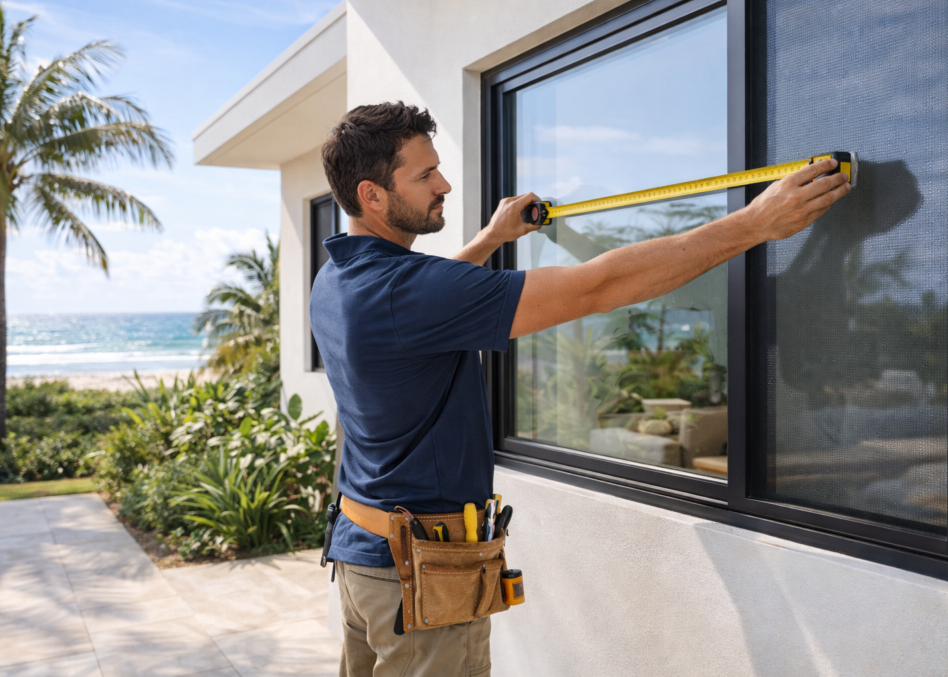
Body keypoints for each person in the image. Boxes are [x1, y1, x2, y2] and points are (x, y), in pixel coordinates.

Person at [311, 102, 851, 677]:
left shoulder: (339, 279)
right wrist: (755, 224)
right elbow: (597, 287)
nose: (443, 184)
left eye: (438, 168)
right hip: (417, 581)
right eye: (424, 176)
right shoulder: (409, 293)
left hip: (361, 561)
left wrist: (492, 238)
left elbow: (429, 302)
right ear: (372, 194)